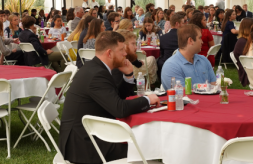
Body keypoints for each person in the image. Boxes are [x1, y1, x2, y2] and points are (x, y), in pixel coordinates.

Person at [59, 31, 158, 163]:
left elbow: (114, 98)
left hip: (87, 137)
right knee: (148, 149)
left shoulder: (95, 68)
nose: (125, 53)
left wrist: (128, 76)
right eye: (121, 50)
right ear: (109, 53)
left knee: (145, 144)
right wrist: (148, 99)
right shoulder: (97, 74)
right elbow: (120, 109)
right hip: (85, 146)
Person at [161, 24, 216, 90]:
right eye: (199, 38)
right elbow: (182, 94)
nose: (202, 41)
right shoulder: (171, 66)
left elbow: (214, 86)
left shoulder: (204, 60)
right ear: (190, 41)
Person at [232, 18, 253, 87]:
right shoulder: (243, 42)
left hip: (249, 67)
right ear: (250, 27)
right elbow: (251, 58)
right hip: (247, 70)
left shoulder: (246, 40)